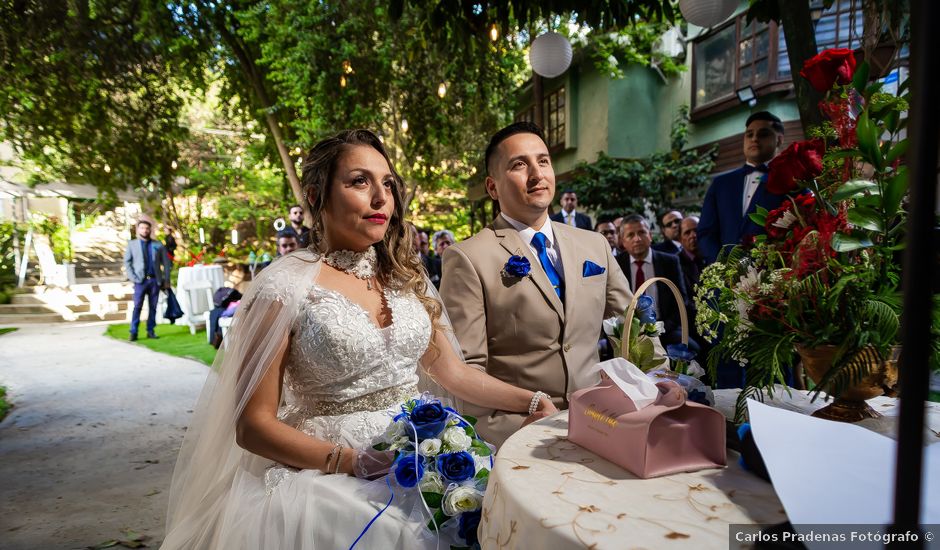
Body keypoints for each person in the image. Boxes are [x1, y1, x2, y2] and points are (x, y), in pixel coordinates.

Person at [162, 129, 557, 550]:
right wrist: (350, 461)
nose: (380, 197)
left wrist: (531, 400)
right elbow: (252, 426)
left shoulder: (406, 278)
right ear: (315, 197)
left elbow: (451, 372)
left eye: (387, 183)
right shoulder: (284, 287)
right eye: (358, 181)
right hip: (323, 478)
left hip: (426, 455)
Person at [440, 122, 636, 447]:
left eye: (543, 161)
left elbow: (634, 327)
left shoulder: (595, 244)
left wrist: (658, 381)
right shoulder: (467, 257)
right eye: (519, 164)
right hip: (524, 435)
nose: (537, 174)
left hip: (604, 421)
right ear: (492, 187)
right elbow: (466, 371)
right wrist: (517, 433)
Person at [698, 111, 789, 264]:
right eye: (749, 134)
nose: (754, 139)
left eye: (763, 134)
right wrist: (721, 266)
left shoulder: (791, 182)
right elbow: (706, 232)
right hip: (725, 280)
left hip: (773, 277)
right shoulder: (720, 184)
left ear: (779, 140)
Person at [616, 214, 695, 351]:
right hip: (629, 332)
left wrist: (662, 328)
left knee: (693, 350)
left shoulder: (670, 262)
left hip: (665, 329)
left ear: (650, 235)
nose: (637, 239)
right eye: (631, 235)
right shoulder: (616, 265)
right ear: (623, 241)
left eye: (642, 232)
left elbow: (681, 300)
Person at [123, 219, 171, 341]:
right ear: (138, 230)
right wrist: (133, 277)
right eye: (142, 228)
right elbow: (127, 263)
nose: (145, 230)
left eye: (147, 228)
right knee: (137, 306)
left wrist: (166, 280)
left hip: (155, 281)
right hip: (140, 281)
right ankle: (133, 331)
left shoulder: (158, 245)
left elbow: (166, 264)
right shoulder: (132, 244)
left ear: (150, 230)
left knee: (153, 307)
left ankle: (151, 330)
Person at [678, 216, 705, 291]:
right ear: (680, 239)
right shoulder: (676, 264)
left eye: (696, 230)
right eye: (687, 233)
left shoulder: (714, 257)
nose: (693, 235)